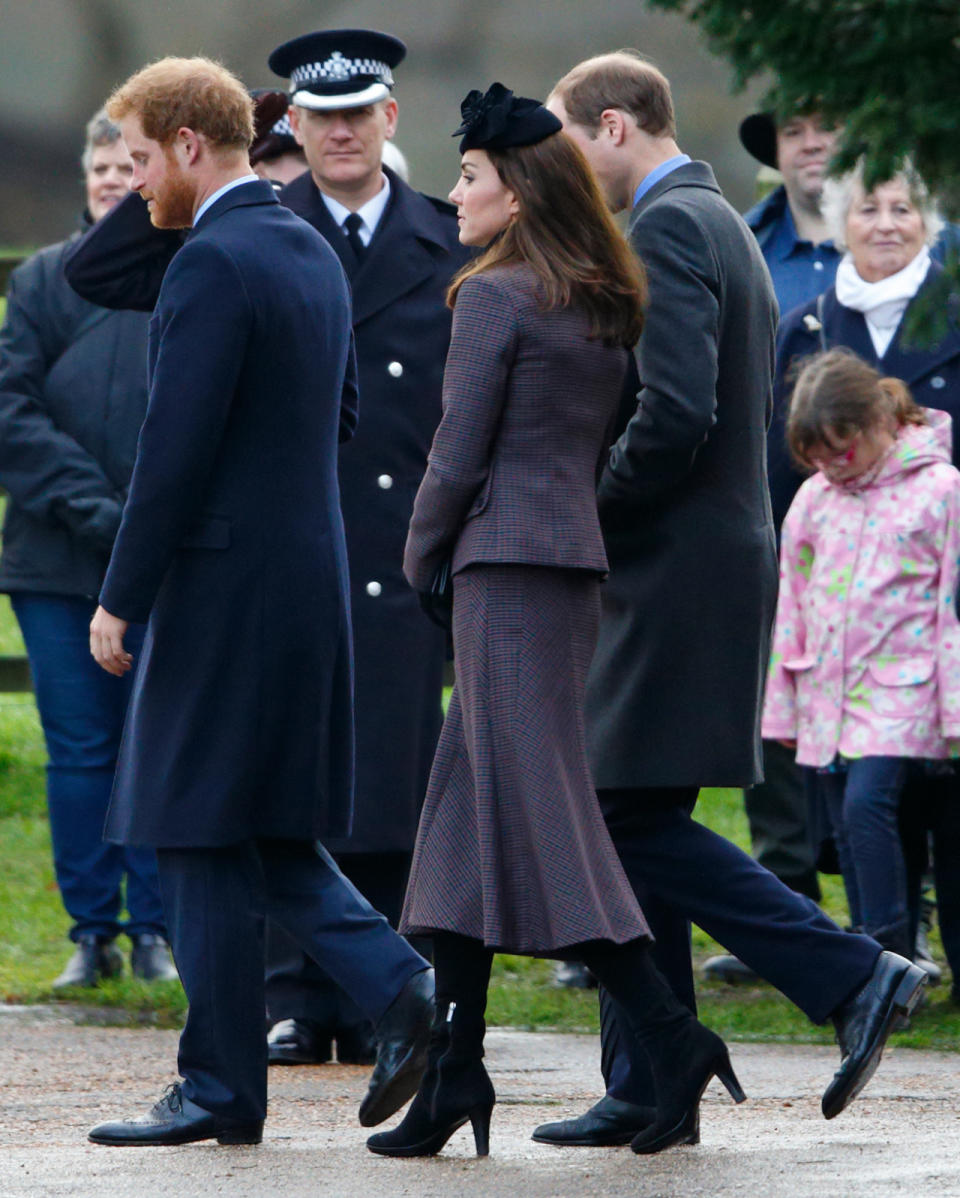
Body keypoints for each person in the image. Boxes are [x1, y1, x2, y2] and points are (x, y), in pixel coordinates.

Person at [532, 50, 926, 1149]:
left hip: (674, 566)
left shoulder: (670, 226)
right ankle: (654, 1076)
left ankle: (852, 973)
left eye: (571, 142)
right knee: (627, 813)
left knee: (618, 813)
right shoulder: (717, 221)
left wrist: (584, 520)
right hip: (698, 560)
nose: (569, 168)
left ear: (615, 127)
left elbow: (675, 414)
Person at [63, 30, 469, 1069]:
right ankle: (392, 993)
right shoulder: (306, 250)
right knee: (253, 833)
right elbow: (338, 416)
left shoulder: (217, 257)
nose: (134, 185)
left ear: (189, 148)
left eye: (144, 161)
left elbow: (172, 449)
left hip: (221, 584)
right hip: (300, 575)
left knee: (193, 821)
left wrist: (123, 594)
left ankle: (234, 1075)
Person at [367, 83, 746, 1161]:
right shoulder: (596, 293)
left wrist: (419, 552)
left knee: (545, 819)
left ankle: (673, 1042)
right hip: (563, 569)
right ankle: (456, 1066)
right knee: (454, 830)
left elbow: (457, 450)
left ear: (519, 193)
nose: (453, 194)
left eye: (471, 178)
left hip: (502, 571)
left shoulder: (495, 297)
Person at [0, 108, 176, 989]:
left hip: (160, 560)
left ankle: (156, 927)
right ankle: (90, 929)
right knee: (78, 748)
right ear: (84, 177)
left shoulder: (186, 272)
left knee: (154, 739)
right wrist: (98, 512)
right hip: (56, 560)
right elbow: (12, 414)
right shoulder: (37, 284)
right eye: (99, 167)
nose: (112, 179)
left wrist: (142, 523)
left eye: (125, 165)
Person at [774, 165, 960, 996]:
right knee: (862, 817)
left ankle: (892, 959)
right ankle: (882, 958)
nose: (886, 223)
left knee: (925, 823)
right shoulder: (807, 325)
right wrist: (786, 697)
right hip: (848, 678)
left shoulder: (938, 483)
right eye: (868, 208)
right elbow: (797, 592)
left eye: (904, 208)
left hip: (924, 671)